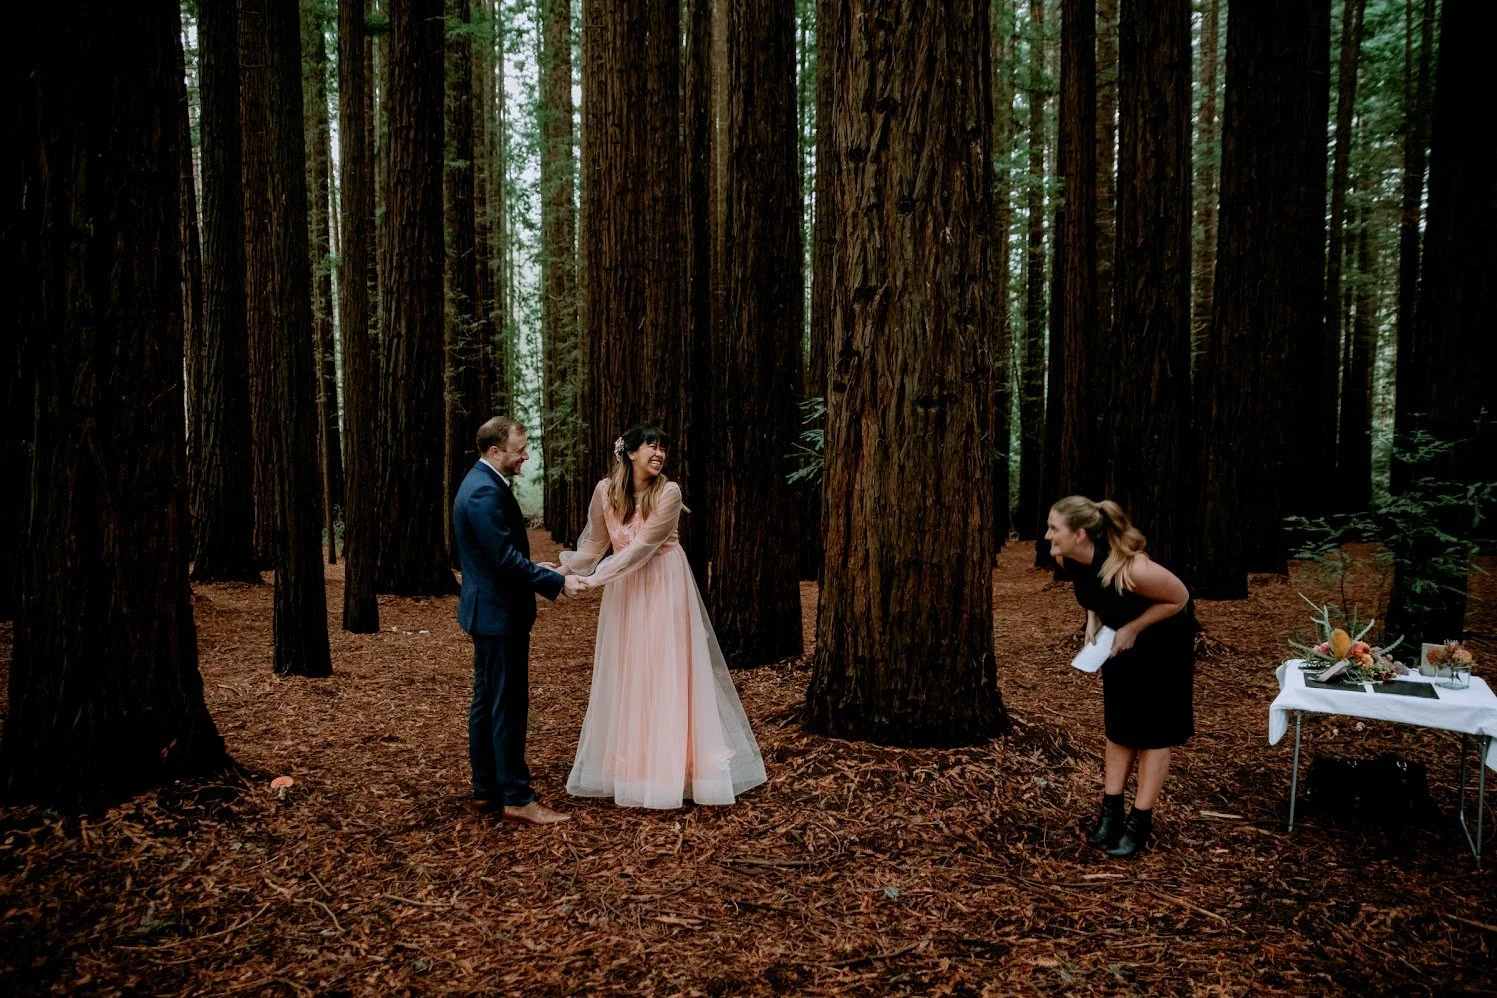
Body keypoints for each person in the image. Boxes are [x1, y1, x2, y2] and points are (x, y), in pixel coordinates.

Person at [554, 423, 767, 809]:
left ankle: (673, 769)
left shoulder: (668, 492)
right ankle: (634, 766)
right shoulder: (605, 491)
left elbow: (642, 549)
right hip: (626, 592)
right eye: (651, 446)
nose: (659, 454)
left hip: (664, 585)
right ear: (630, 452)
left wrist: (594, 581)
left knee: (665, 670)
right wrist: (564, 571)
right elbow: (593, 544)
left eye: (663, 448)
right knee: (631, 671)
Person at [1045, 496, 1196, 857]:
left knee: (1153, 734)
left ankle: (1139, 823)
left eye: (1054, 528)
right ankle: (1110, 814)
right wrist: (1094, 618)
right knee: (1120, 726)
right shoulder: (1069, 559)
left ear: (1080, 534)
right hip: (1119, 646)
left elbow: (1179, 598)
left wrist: (1134, 627)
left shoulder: (1134, 571)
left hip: (1162, 648)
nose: (1047, 535)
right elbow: (1091, 592)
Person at [453, 416, 583, 826]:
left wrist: (533, 565)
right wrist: (554, 582)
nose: (525, 455)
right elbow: (504, 561)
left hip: (491, 610)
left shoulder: (482, 484)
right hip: (498, 615)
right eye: (519, 450)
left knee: (488, 703)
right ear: (495, 452)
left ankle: (486, 789)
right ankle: (516, 797)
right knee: (506, 705)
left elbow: (498, 554)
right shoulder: (483, 493)